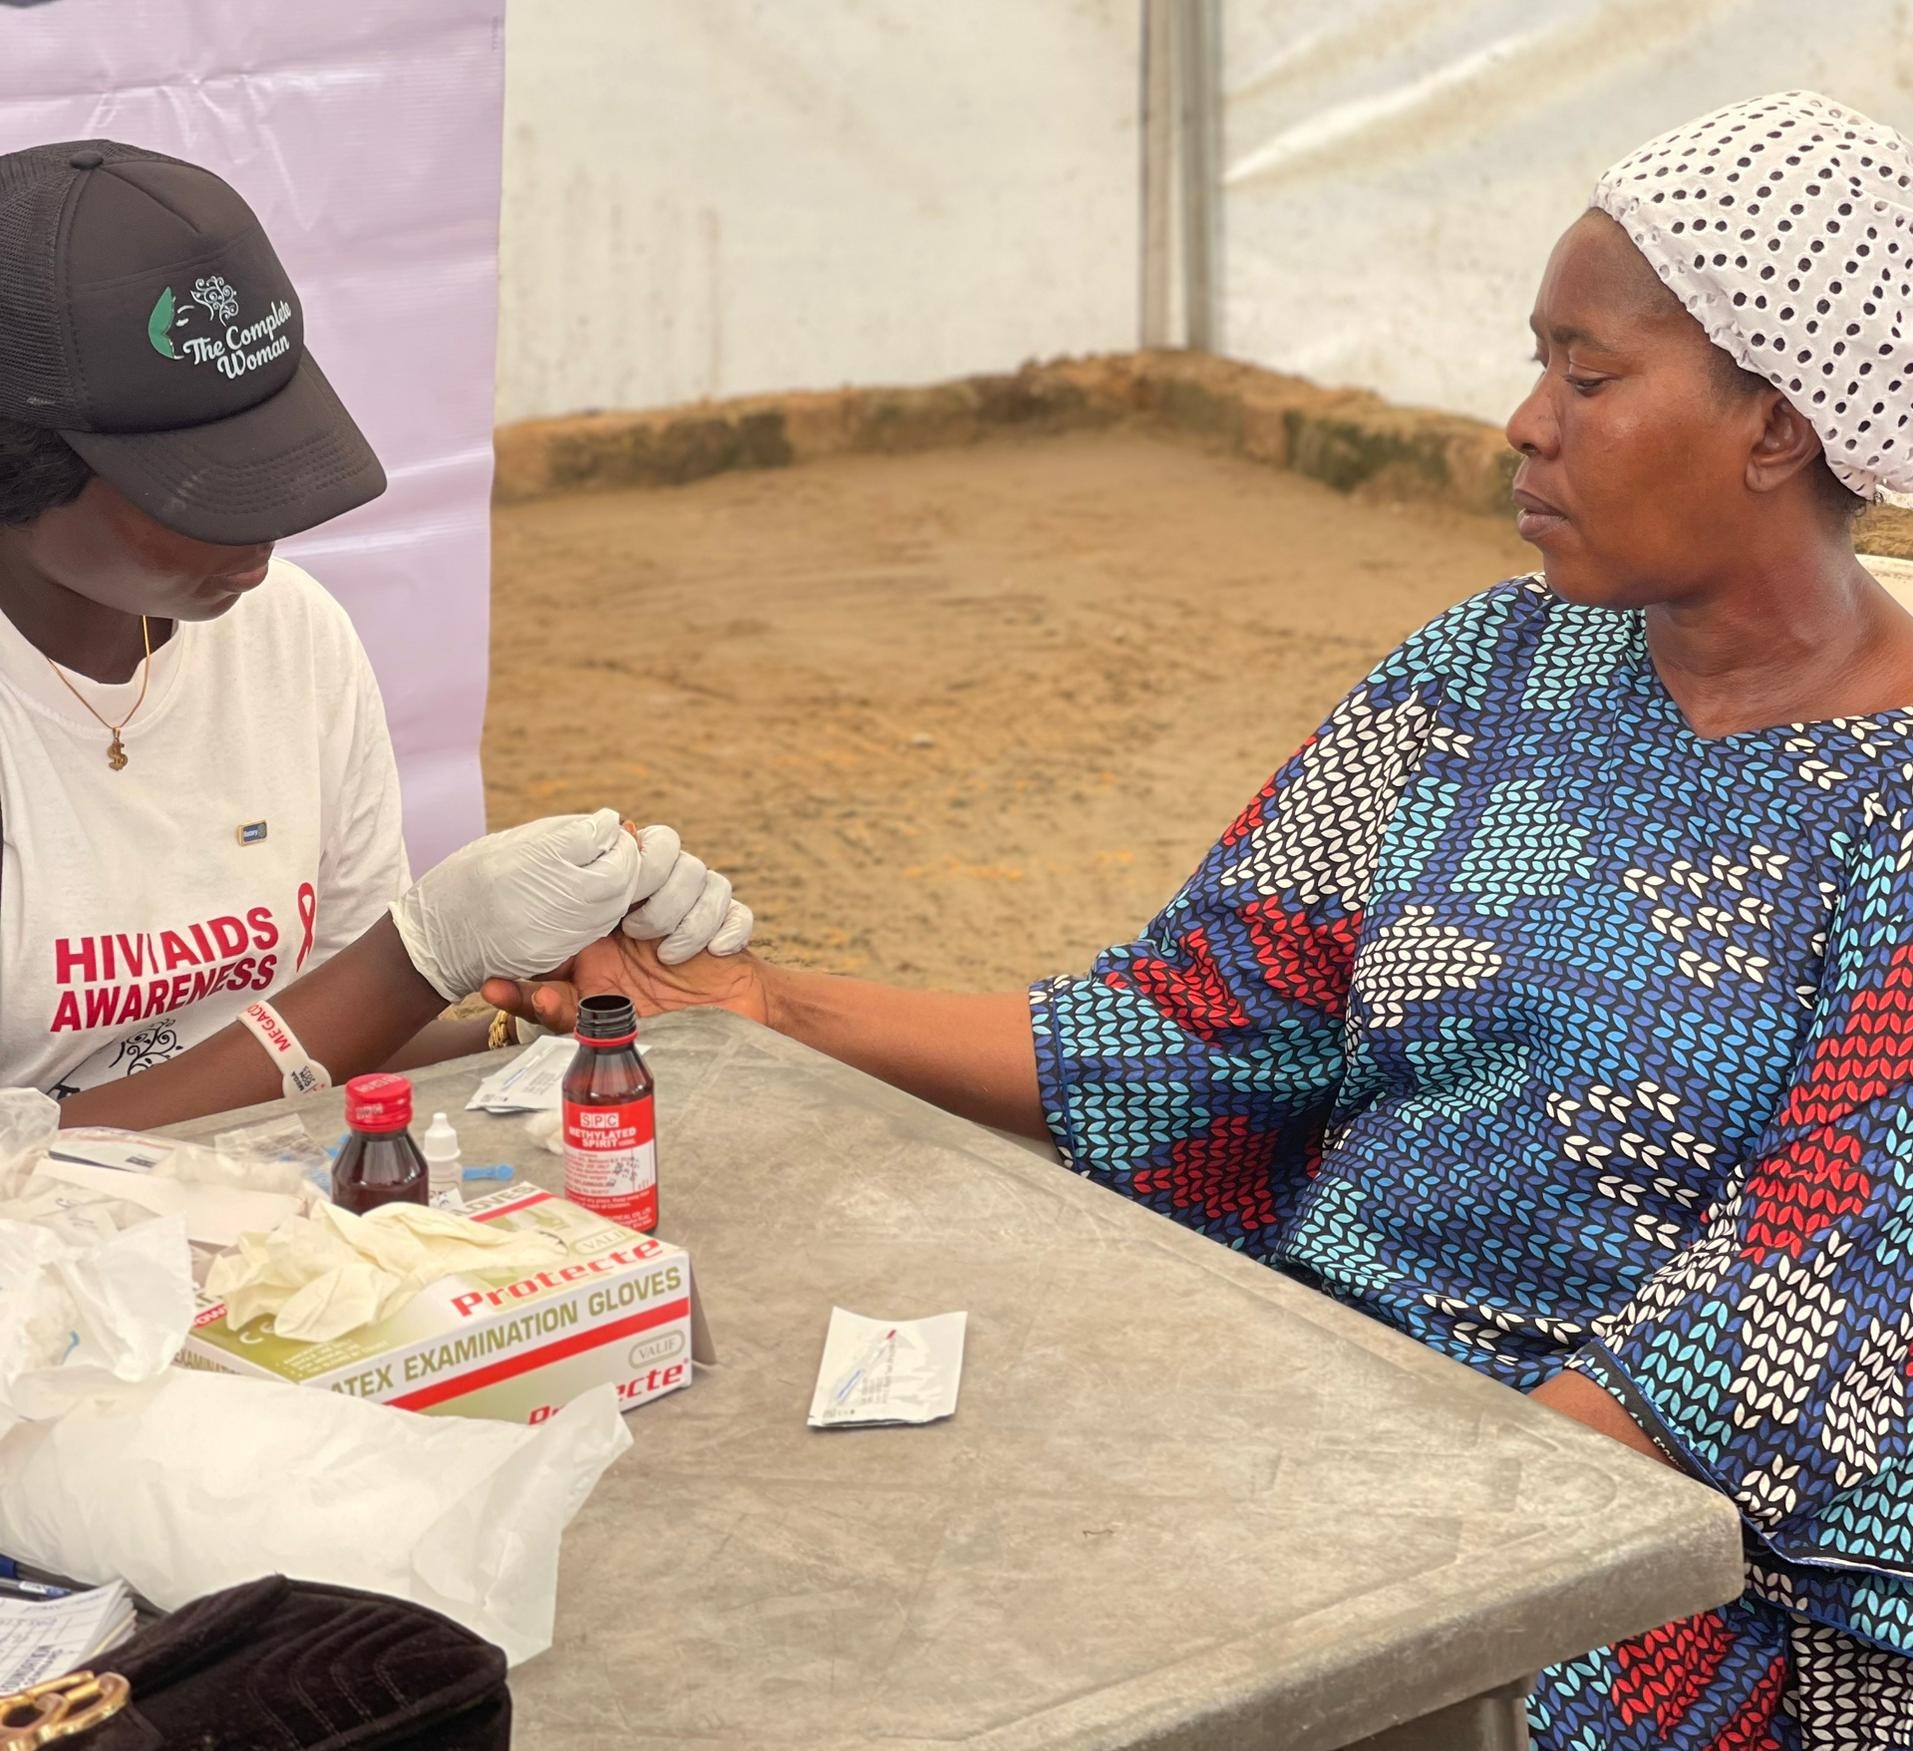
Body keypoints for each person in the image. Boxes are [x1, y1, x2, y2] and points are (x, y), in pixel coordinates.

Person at [495, 92, 1913, 1746]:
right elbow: (1206, 1018)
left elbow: (1813, 1280)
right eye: (1536, 365)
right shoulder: (1486, 667)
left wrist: (1405, 1543)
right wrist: (759, 1007)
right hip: (1320, 1395)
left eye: (1586, 378)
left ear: (1776, 427)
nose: (1524, 423)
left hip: (1633, 1538)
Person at [0, 139, 748, 1126]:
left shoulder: (289, 635)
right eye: (195, 479)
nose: (262, 525)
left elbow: (331, 1035)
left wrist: (546, 998)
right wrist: (414, 956)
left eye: (266, 447)